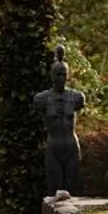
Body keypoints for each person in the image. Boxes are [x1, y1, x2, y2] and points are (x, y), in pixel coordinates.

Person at [32, 48, 86, 194]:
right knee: (54, 189)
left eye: (64, 75)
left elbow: (80, 104)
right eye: (58, 75)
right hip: (53, 146)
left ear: (68, 76)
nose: (61, 78)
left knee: (72, 189)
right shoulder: (43, 99)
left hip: (71, 146)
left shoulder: (76, 97)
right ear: (52, 76)